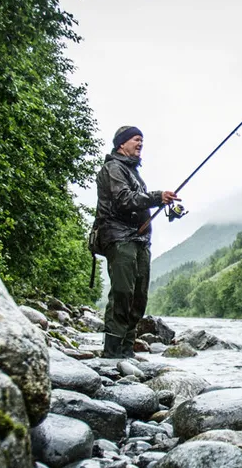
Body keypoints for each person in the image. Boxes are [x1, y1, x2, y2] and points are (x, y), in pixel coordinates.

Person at [95, 125, 179, 358]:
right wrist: (156, 196)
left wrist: (159, 200)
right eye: (135, 139)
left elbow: (136, 199)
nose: (140, 143)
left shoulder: (133, 173)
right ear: (121, 144)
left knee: (139, 296)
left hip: (140, 240)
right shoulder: (113, 168)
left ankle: (126, 350)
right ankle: (112, 352)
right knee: (123, 292)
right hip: (119, 238)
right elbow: (123, 200)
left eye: (142, 140)